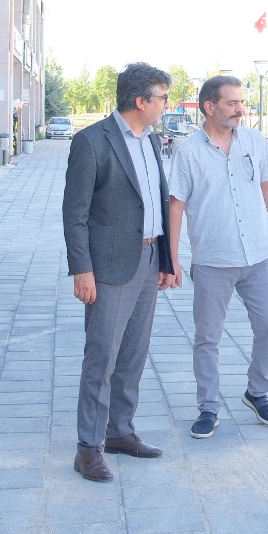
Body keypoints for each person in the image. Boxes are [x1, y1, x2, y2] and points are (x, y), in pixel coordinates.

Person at [62, 62, 179, 482]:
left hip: (147, 260)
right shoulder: (92, 141)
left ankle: (119, 431)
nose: (167, 105)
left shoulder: (151, 140)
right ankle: (88, 448)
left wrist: (165, 261)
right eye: (163, 97)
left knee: (133, 354)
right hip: (109, 268)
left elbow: (156, 203)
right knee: (102, 358)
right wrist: (82, 269)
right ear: (141, 101)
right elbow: (75, 213)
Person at [168, 75, 268, 439]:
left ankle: (257, 392)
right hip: (213, 259)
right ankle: (208, 407)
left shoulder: (254, 141)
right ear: (210, 107)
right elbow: (176, 206)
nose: (240, 109)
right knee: (208, 337)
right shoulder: (188, 152)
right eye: (232, 103)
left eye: (241, 102)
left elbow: (266, 187)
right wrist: (171, 258)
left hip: (257, 256)